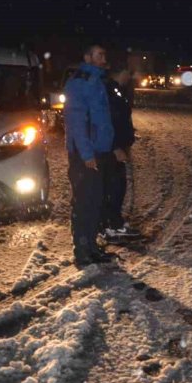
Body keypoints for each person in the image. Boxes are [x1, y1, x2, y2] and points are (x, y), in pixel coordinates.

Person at [64, 44, 116, 266]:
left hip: (100, 150)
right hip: (86, 154)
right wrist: (86, 154)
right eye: (99, 54)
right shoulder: (80, 82)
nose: (104, 57)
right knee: (85, 202)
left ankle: (92, 245)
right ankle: (82, 248)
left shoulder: (98, 80)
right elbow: (76, 122)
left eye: (104, 53)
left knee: (95, 201)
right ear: (87, 57)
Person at [100, 67, 139, 242]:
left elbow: (121, 119)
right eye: (127, 73)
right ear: (120, 72)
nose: (129, 77)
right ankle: (111, 225)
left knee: (117, 187)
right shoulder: (109, 91)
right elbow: (108, 123)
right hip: (111, 150)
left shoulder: (116, 90)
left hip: (115, 147)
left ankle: (112, 223)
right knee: (114, 188)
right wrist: (115, 146)